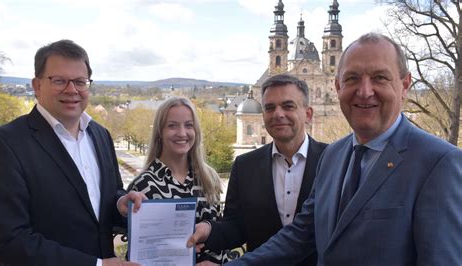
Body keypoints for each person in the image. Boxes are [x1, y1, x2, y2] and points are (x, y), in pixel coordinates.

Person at [199, 32, 462, 265]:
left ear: (405, 85)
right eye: (352, 79)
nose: (365, 91)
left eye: (380, 77)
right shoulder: (333, 155)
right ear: (337, 87)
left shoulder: (439, 163)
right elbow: (302, 235)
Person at [0, 39, 144, 266]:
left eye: (80, 81)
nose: (72, 90)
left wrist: (121, 203)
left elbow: (101, 202)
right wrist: (96, 265)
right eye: (59, 80)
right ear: (37, 85)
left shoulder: (101, 135)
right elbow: (9, 242)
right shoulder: (4, 144)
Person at [188, 74, 327, 265]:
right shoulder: (245, 166)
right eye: (270, 108)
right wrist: (209, 229)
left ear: (308, 114)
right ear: (263, 116)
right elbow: (236, 227)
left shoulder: (332, 160)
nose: (278, 114)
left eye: (288, 106)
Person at [127, 97, 223, 264]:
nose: (182, 133)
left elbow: (222, 233)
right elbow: (140, 253)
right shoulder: (143, 185)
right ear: (159, 132)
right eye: (172, 125)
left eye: (188, 125)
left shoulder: (209, 178)